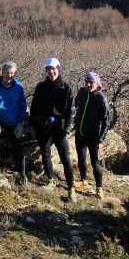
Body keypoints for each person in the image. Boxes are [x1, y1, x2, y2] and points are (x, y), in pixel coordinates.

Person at [30, 57, 77, 202]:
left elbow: (70, 112)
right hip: (43, 126)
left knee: (65, 158)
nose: (51, 72)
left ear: (58, 69)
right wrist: (33, 124)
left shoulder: (66, 88)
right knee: (45, 153)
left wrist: (66, 129)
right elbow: (34, 107)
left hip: (59, 128)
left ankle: (71, 188)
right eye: (48, 69)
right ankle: (50, 180)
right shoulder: (41, 87)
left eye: (53, 69)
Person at [0, 61, 28, 183]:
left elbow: (22, 106)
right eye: (7, 72)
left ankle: (22, 174)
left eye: (12, 73)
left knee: (18, 144)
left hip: (13, 121)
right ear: (2, 72)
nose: (9, 75)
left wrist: (21, 123)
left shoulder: (19, 87)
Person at [74, 72, 110, 199]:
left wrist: (101, 139)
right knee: (81, 158)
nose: (88, 85)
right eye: (87, 82)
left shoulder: (101, 99)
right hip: (80, 132)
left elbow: (106, 122)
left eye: (91, 82)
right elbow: (76, 104)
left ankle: (99, 188)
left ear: (97, 83)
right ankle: (83, 180)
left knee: (95, 163)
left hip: (93, 135)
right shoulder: (82, 92)